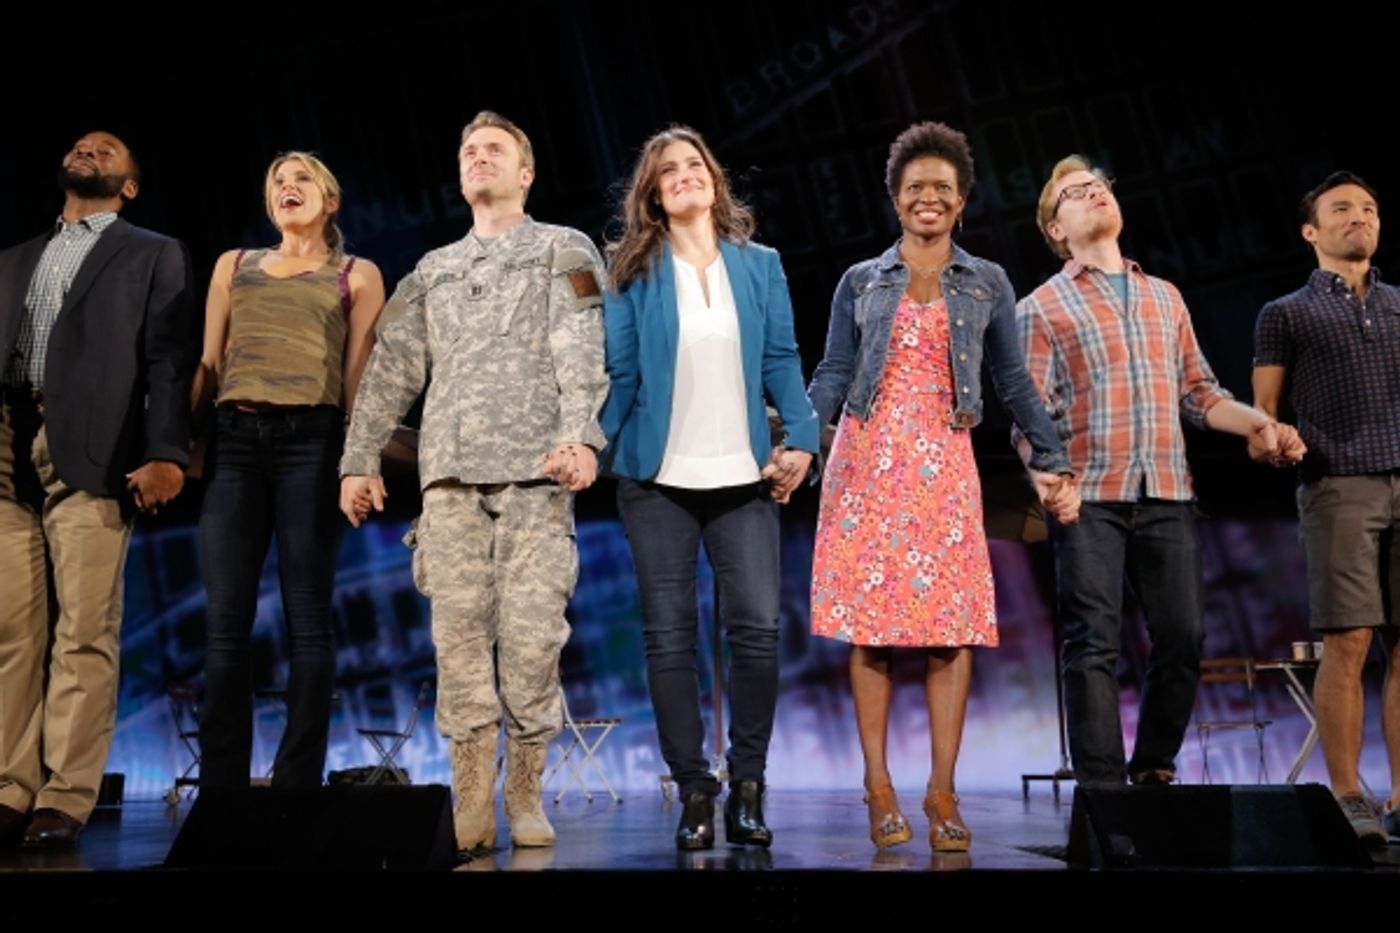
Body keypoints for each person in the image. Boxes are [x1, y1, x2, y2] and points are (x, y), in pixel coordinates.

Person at [806, 121, 1078, 852]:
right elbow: (832, 372)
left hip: (944, 468)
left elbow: (1013, 378)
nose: (929, 196)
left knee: (949, 630)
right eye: (915, 186)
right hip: (866, 465)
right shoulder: (859, 280)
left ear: (961, 202)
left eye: (942, 188)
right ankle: (878, 784)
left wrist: (1051, 457)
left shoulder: (986, 280)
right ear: (896, 199)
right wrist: (801, 442)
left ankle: (942, 789)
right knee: (872, 632)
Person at [340, 111, 607, 853]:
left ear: (525, 174)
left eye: (494, 149)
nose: (477, 157)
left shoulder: (562, 249)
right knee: (457, 646)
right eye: (468, 150)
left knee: (531, 642)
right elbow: (392, 366)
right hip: (451, 483)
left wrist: (581, 436)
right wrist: (359, 460)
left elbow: (582, 347)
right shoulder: (433, 269)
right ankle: (469, 796)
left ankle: (523, 787)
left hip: (534, 476)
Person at [1018, 154, 1303, 789]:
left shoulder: (1163, 295)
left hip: (1168, 491)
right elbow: (1029, 416)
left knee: (1183, 638)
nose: (1095, 194)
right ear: (1056, 228)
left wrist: (1258, 423)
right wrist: (1045, 474)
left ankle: (1151, 766)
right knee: (1093, 644)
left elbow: (1199, 393)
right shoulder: (1040, 307)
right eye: (1075, 192)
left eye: (1100, 186)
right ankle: (1103, 792)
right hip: (1090, 493)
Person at [599, 125, 819, 851]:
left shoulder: (760, 266)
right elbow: (623, 373)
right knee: (669, 637)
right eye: (670, 171)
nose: (686, 175)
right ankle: (694, 786)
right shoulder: (631, 268)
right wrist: (589, 441)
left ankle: (749, 784)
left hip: (743, 476)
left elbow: (783, 360)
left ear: (714, 182)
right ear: (655, 195)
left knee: (757, 630)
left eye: (696, 165)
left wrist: (805, 441)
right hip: (656, 478)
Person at [0, 131, 196, 847]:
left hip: (93, 442)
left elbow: (169, 359)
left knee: (85, 628)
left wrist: (166, 449)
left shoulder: (149, 251)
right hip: (6, 440)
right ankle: (7, 787)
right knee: (10, 630)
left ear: (129, 185)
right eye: (81, 145)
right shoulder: (14, 258)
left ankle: (65, 795)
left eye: (107, 149)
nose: (88, 149)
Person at [193, 151, 384, 790]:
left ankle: (296, 782)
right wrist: (170, 449)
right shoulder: (235, 265)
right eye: (277, 181)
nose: (287, 188)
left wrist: (360, 463)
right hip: (235, 443)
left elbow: (359, 381)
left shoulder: (356, 274)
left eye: (302, 179)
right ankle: (220, 788)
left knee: (309, 619)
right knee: (225, 624)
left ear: (330, 201)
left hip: (313, 442)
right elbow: (209, 363)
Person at [1253, 171, 1400, 845]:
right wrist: (1274, 441)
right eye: (1342, 208)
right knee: (1349, 640)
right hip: (1339, 483)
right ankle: (1347, 792)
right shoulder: (1287, 312)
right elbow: (1265, 414)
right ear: (1311, 230)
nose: (1359, 217)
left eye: (1368, 208)